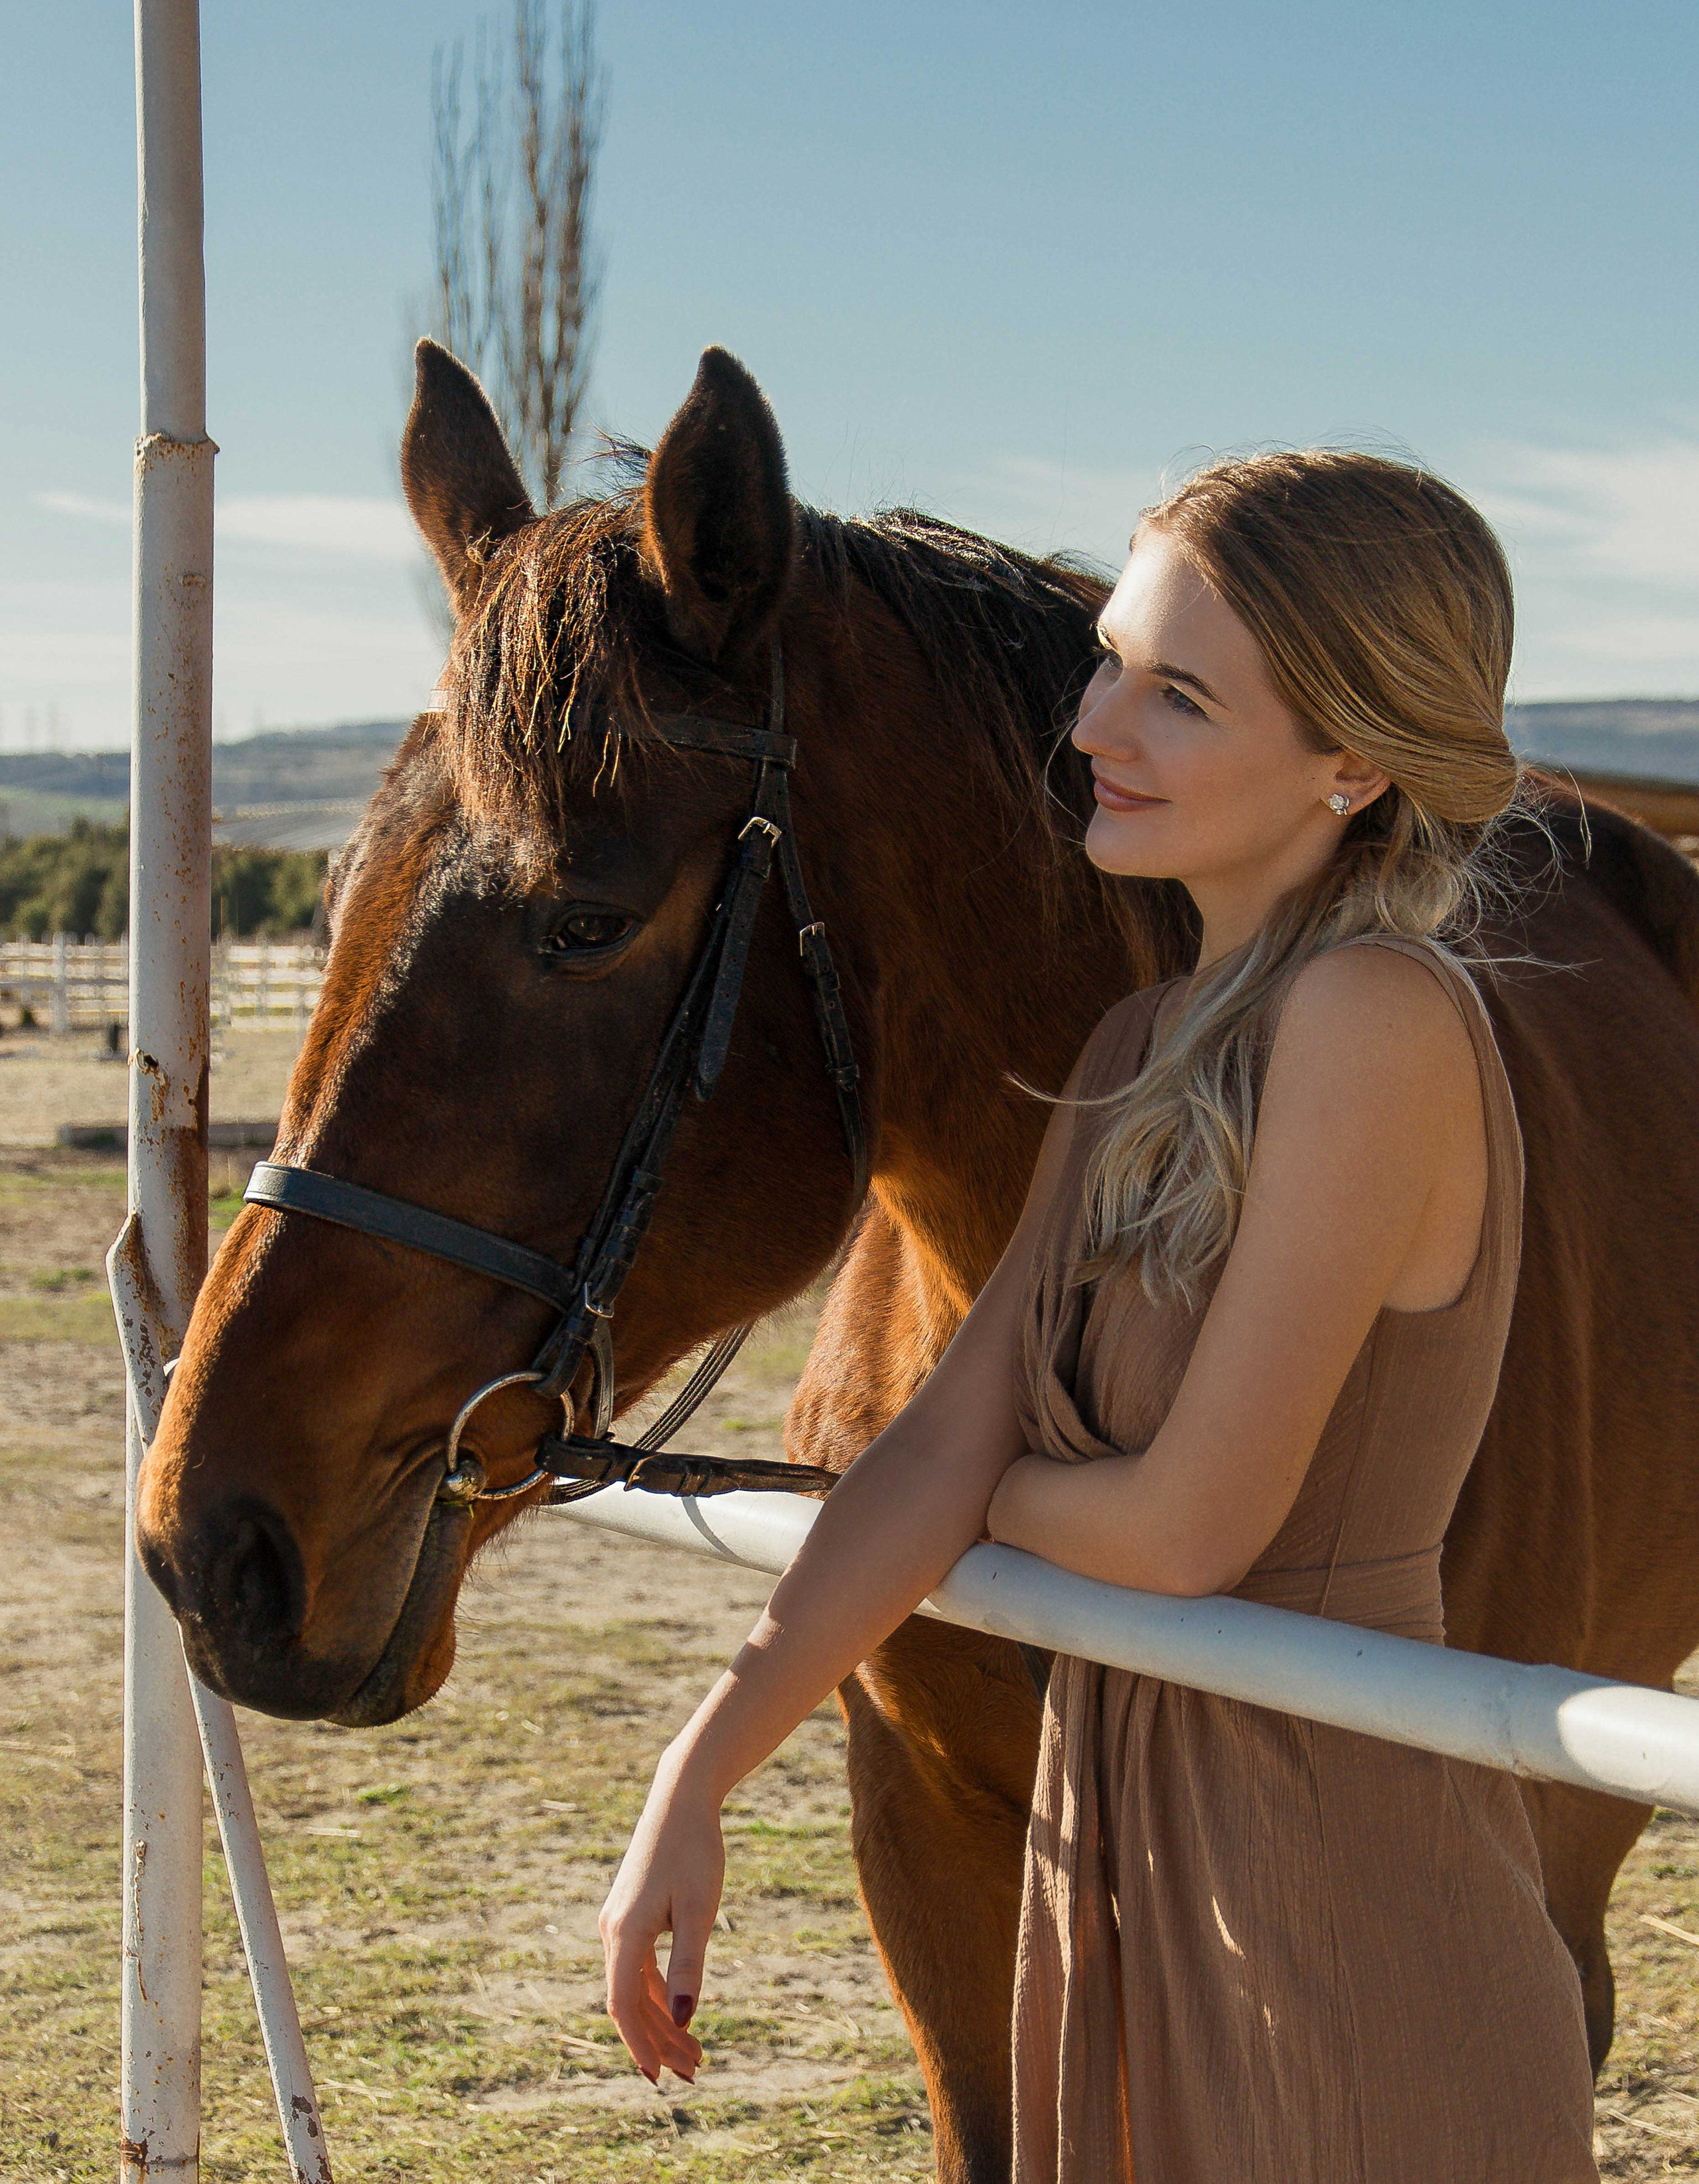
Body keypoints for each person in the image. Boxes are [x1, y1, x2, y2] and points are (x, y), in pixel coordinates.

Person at [597, 449, 1600, 2181]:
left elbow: (1190, 1525)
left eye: (1180, 695)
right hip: (1143, 1850)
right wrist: (700, 1771)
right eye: (1109, 662)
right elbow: (931, 1446)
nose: (1092, 726)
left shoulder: (1375, 1019)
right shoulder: (1136, 1051)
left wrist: (993, 1498)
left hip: (1347, 1894)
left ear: (1354, 760)